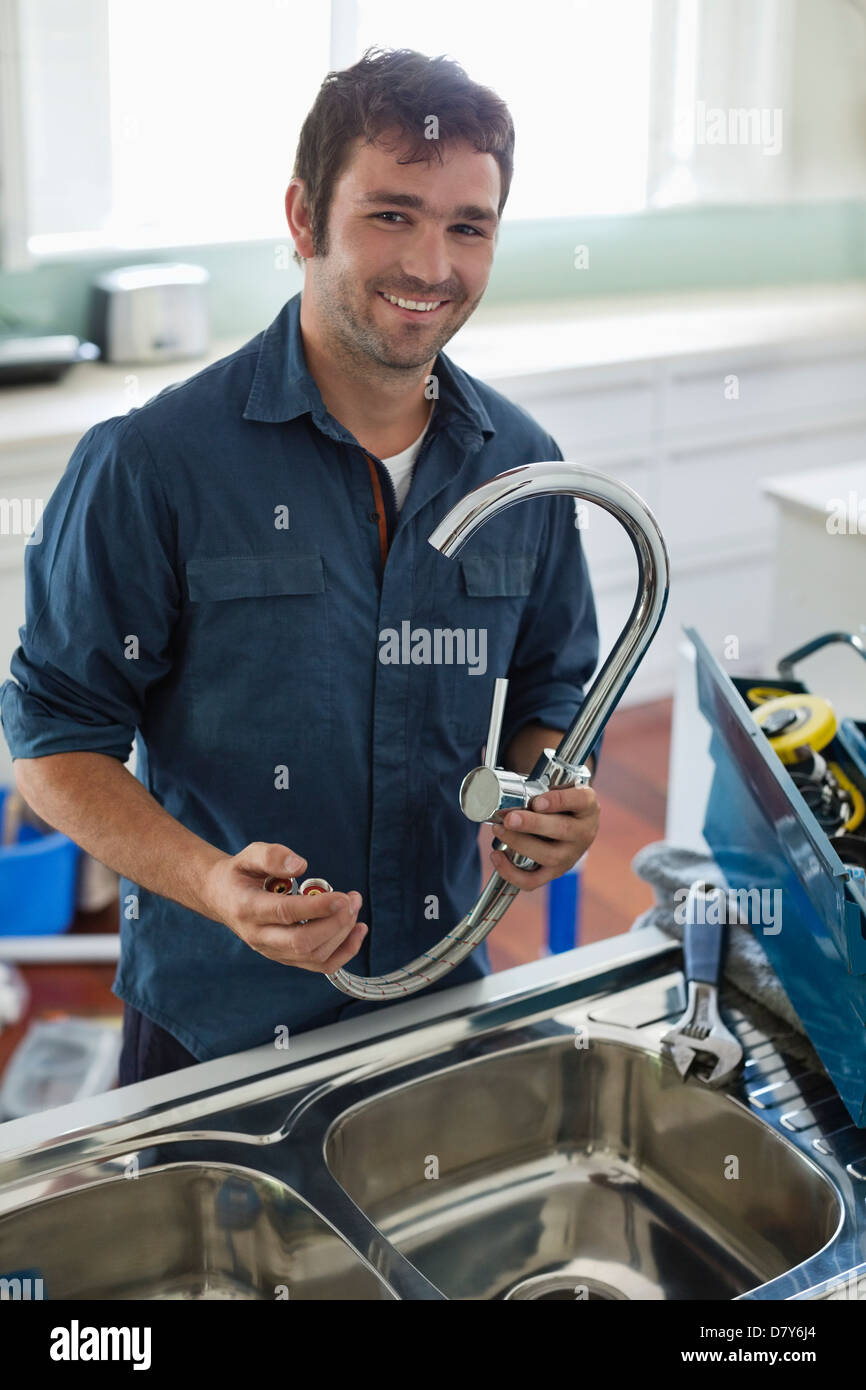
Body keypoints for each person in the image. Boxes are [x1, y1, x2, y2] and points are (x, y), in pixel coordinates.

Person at [0, 47, 601, 1085]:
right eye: (390, 214)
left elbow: (554, 688)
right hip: (217, 1025)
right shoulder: (152, 463)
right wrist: (215, 885)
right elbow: (54, 743)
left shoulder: (523, 466)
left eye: (468, 226)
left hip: (443, 1000)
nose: (430, 266)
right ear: (301, 217)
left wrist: (551, 793)